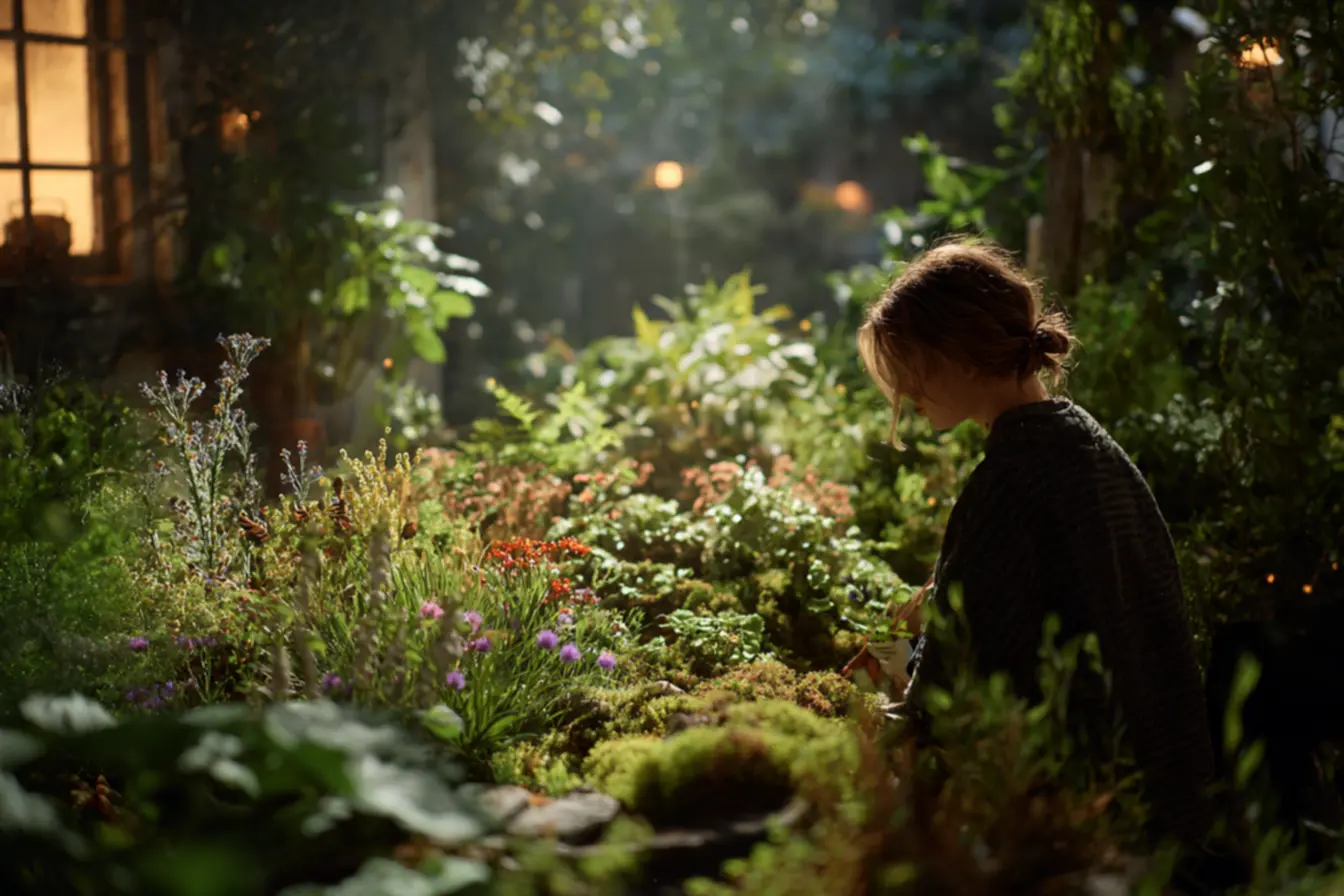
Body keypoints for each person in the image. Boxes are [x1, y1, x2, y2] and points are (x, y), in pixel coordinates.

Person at [856, 235, 1216, 847]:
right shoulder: (1088, 446)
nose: (906, 395)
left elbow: (963, 677)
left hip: (1076, 813)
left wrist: (874, 715)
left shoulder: (1011, 480)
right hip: (1159, 785)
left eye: (911, 369)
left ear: (961, 356)